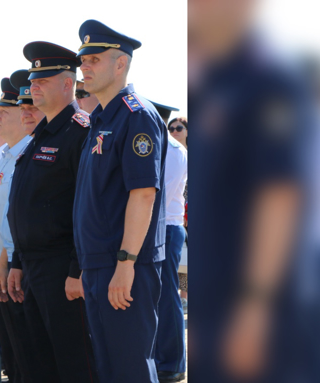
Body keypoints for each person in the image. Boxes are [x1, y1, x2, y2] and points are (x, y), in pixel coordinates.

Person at [72, 19, 167, 383]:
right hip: (99, 263)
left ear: (120, 64)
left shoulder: (136, 115)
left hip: (124, 264)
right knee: (109, 368)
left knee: (130, 367)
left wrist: (125, 264)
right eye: (84, 60)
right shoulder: (99, 118)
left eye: (94, 59)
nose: (85, 67)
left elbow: (143, 194)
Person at [6, 41, 97, 382]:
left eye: (42, 80)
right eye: (33, 80)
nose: (33, 87)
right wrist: (17, 262)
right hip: (32, 266)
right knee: (39, 362)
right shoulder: (42, 132)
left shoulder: (80, 131)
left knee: (75, 362)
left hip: (63, 267)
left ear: (66, 83)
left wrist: (77, 269)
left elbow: (86, 208)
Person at [0, 74, 38, 383]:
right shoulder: (6, 154)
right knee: (10, 350)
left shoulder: (28, 152)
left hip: (9, 260)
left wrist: (4, 259)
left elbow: (14, 216)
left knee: (23, 348)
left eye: (4, 111)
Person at [151, 102, 188, 383]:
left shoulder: (174, 151)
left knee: (166, 297)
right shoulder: (156, 146)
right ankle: (158, 359)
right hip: (153, 229)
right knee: (153, 297)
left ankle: (173, 363)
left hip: (167, 229)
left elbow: (158, 197)